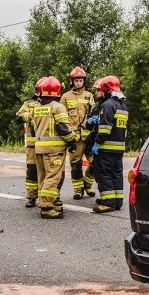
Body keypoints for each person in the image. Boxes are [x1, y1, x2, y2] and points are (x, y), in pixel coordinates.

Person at [33, 76, 77, 219]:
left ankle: (53, 201)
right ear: (58, 91)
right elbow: (63, 128)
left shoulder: (38, 108)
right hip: (54, 150)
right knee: (53, 178)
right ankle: (47, 208)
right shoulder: (58, 107)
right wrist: (72, 141)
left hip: (39, 149)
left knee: (43, 178)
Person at [92, 75, 129, 214]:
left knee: (103, 173)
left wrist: (97, 143)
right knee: (116, 174)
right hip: (119, 148)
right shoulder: (123, 105)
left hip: (106, 147)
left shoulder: (107, 105)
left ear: (105, 88)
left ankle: (108, 203)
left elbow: (105, 128)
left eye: (99, 89)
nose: (97, 92)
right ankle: (117, 201)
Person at [60, 66, 95, 200]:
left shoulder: (89, 96)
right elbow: (61, 116)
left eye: (81, 80)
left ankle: (88, 183)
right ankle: (78, 189)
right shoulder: (65, 97)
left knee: (96, 162)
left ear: (84, 81)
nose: (79, 83)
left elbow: (94, 112)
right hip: (74, 137)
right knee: (76, 164)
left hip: (88, 136)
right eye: (76, 80)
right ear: (72, 81)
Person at [15, 77, 45, 208]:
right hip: (33, 145)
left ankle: (48, 197)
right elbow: (18, 116)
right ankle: (32, 197)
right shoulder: (29, 104)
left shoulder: (53, 104)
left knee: (48, 171)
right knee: (32, 170)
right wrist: (31, 115)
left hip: (48, 145)